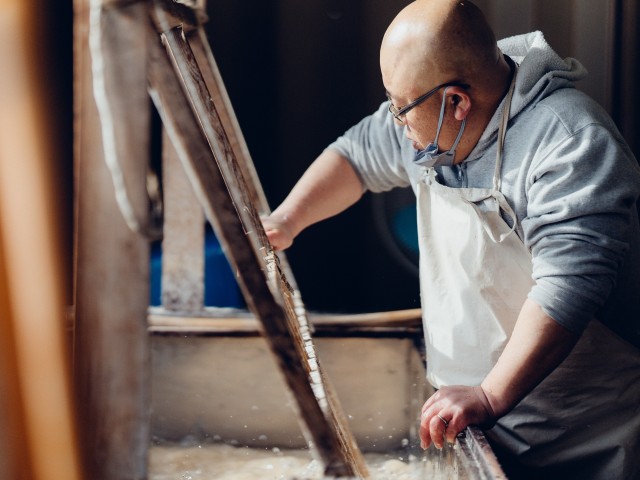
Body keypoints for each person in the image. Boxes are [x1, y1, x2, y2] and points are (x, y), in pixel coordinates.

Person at [262, 1, 640, 478]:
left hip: (582, 434)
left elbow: (569, 286)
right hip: (477, 421)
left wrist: (490, 394)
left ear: (457, 102)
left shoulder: (570, 141)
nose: (396, 121)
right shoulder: (431, 118)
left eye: (401, 109)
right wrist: (286, 221)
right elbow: (356, 156)